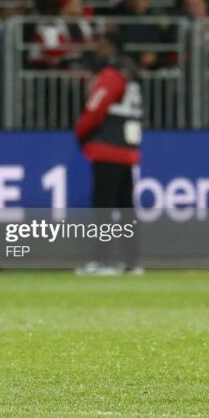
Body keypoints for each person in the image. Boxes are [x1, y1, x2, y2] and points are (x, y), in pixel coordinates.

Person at [73, 32, 143, 275]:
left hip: (108, 148)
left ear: (113, 48)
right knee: (126, 208)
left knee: (102, 208)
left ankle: (100, 260)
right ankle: (132, 261)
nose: (97, 49)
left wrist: (81, 133)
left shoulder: (111, 75)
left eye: (102, 45)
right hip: (128, 149)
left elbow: (95, 109)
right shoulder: (131, 75)